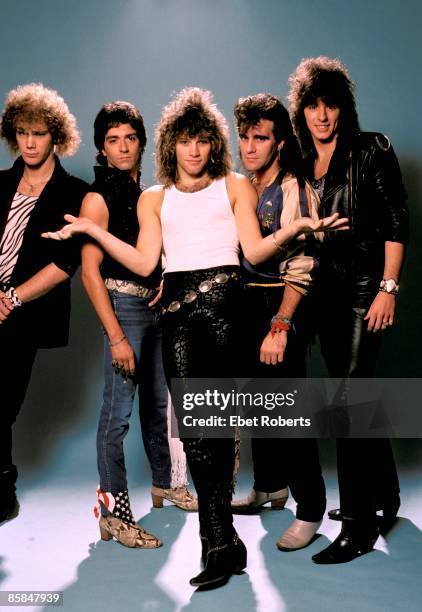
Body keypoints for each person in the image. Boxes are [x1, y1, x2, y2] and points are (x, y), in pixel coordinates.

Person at [44, 87, 347, 587]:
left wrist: (298, 229)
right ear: (171, 146)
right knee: (196, 436)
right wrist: (91, 232)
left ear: (212, 144)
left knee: (218, 431)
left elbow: (255, 247)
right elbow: (144, 262)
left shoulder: (234, 186)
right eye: (185, 141)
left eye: (203, 140)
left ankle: (220, 546)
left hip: (228, 309)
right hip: (178, 319)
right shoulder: (153, 198)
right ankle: (221, 544)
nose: (195, 150)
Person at [288, 56, 409, 563]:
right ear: (303, 112)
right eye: (313, 105)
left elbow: (398, 224)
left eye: (330, 105)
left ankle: (357, 526)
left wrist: (388, 288)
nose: (322, 115)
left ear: (343, 108)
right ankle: (386, 497)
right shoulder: (301, 162)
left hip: (365, 289)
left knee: (347, 401)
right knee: (355, 399)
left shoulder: (370, 150)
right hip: (325, 294)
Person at [80, 102, 197, 550]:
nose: (123, 146)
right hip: (123, 310)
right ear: (102, 148)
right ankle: (114, 514)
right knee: (116, 417)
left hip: (156, 308)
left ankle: (167, 485)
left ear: (143, 143)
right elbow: (91, 273)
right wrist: (115, 335)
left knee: (158, 403)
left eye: (130, 137)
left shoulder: (148, 193)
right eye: (113, 139)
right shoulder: (97, 198)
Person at [231, 93, 326, 551]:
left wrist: (281, 325)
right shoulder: (246, 186)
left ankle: (310, 509)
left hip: (281, 305)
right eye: (245, 137)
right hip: (245, 306)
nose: (250, 146)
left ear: (280, 142)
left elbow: (302, 265)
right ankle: (270, 486)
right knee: (255, 401)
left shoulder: (294, 188)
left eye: (261, 138)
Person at [0, 83, 88, 524]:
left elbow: (64, 263)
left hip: (26, 311)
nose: (30, 143)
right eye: (22, 132)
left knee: (2, 402)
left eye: (39, 133)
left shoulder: (74, 193)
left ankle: (2, 486)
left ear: (56, 136)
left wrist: (11, 298)